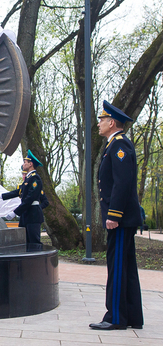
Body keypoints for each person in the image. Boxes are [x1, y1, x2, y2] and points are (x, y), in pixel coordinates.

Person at [89, 100, 143, 331]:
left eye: (101, 120)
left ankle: (116, 318)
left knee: (118, 267)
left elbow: (122, 184)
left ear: (111, 122)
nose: (98, 124)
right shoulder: (115, 145)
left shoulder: (120, 146)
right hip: (122, 218)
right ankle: (132, 317)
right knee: (126, 267)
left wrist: (114, 215)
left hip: (119, 220)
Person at [0, 150, 45, 250]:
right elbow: (17, 192)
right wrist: (0, 195)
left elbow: (30, 198)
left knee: (34, 242)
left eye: (25, 162)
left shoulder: (35, 179)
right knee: (25, 241)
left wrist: (15, 212)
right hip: (26, 214)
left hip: (33, 214)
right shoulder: (28, 179)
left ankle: (37, 265)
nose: (23, 164)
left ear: (30, 164)